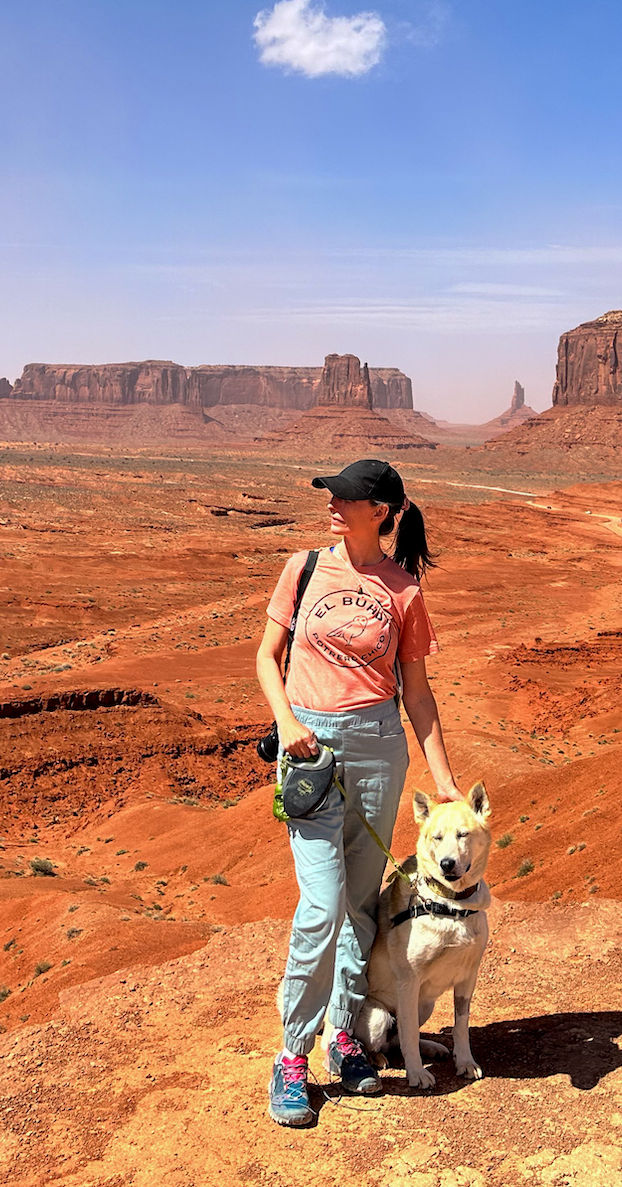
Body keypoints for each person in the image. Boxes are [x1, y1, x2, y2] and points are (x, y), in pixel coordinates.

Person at [255, 457, 464, 1127]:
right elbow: (266, 657)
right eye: (332, 494)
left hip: (378, 749)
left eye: (345, 497)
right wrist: (288, 722)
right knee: (321, 906)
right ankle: (293, 1055)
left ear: (380, 511)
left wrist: (445, 780)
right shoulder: (304, 568)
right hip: (310, 751)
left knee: (360, 907)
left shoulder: (403, 590)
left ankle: (344, 1035)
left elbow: (418, 695)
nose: (332, 504)